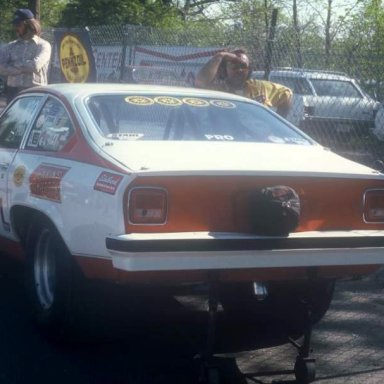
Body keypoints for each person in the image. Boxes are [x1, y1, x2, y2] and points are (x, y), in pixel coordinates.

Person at [195, 48, 293, 118]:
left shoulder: (260, 87)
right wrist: (220, 56)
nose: (239, 70)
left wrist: (276, 125)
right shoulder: (218, 89)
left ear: (249, 70)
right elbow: (200, 82)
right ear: (225, 69)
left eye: (243, 66)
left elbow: (286, 94)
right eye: (234, 66)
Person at [0, 8, 52, 104]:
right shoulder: (11, 46)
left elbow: (35, 66)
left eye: (19, 25)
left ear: (29, 25)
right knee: (12, 119)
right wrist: (24, 67)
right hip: (13, 92)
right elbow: (1, 67)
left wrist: (13, 66)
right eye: (15, 25)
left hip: (35, 91)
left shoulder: (43, 45)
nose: (16, 28)